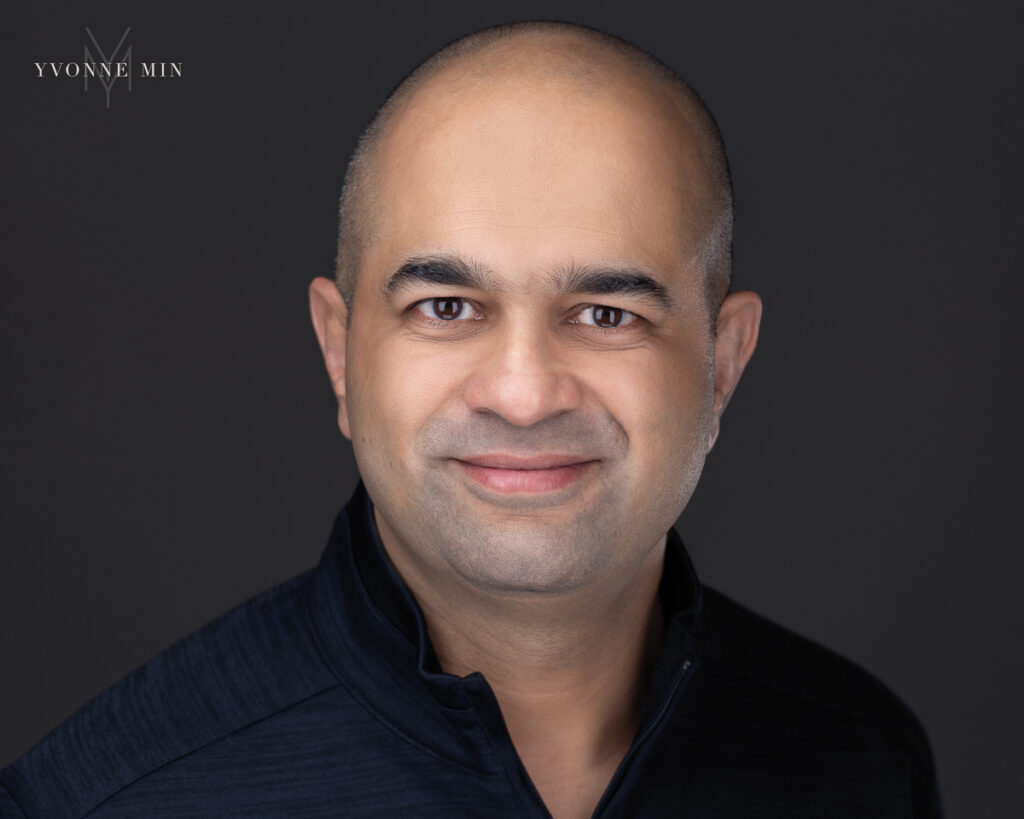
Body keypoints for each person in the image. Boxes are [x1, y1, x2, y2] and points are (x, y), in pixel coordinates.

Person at [0, 21, 942, 819]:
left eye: (608, 315)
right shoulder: (108, 797)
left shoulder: (861, 763)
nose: (524, 394)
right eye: (447, 307)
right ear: (339, 350)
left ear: (723, 364)